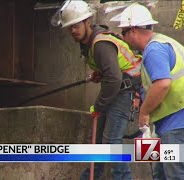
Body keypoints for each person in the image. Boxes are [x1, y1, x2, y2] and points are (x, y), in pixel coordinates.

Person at [52, 1, 142, 179]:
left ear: (88, 21)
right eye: (70, 28)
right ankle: (91, 176)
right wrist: (100, 73)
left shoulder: (100, 43)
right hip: (117, 89)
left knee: (112, 141)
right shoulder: (90, 42)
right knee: (98, 140)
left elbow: (115, 78)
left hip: (125, 91)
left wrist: (99, 106)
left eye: (76, 26)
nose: (73, 31)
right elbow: (112, 71)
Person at [115, 3, 184, 179]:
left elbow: (163, 84)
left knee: (179, 175)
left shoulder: (154, 49)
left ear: (133, 30)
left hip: (178, 123)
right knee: (161, 175)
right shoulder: (163, 44)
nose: (123, 38)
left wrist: (144, 111)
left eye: (124, 32)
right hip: (172, 123)